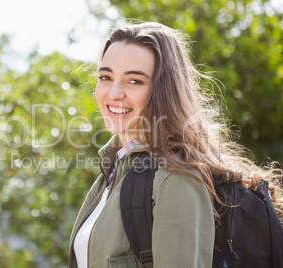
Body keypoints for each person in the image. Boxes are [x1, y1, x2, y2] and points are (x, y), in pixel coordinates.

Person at [68, 22, 282, 268]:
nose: (114, 93)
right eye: (106, 77)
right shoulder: (114, 168)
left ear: (162, 90)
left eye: (134, 81)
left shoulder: (175, 176)